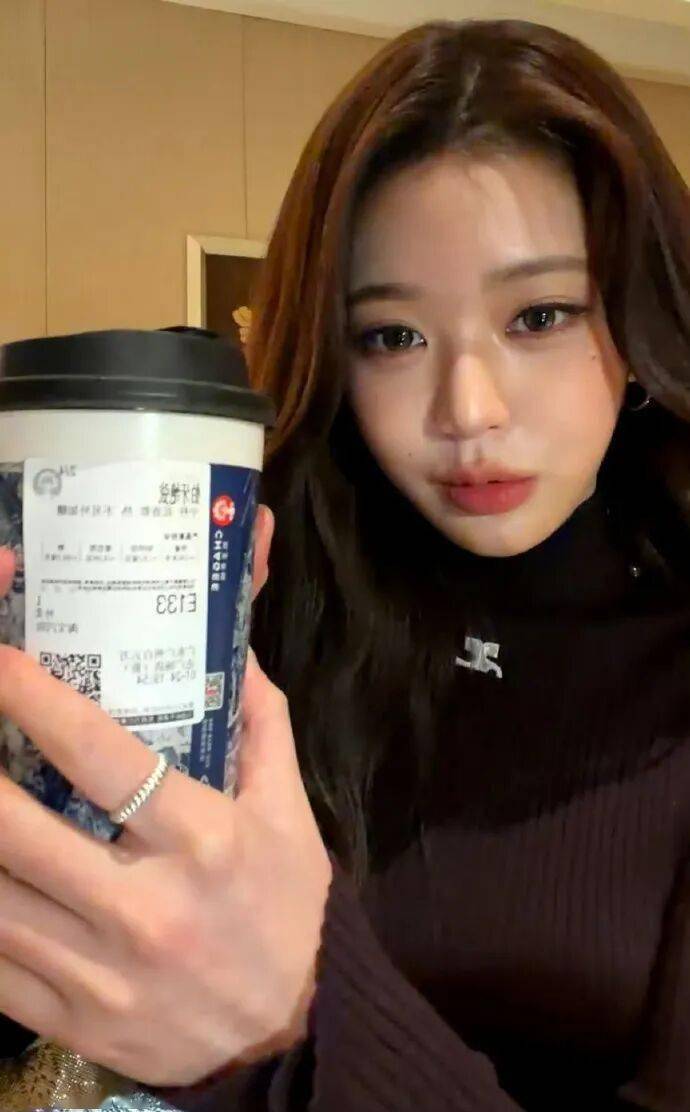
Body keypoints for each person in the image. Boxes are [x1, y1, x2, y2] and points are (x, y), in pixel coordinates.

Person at [0, 16, 688, 1112]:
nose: (470, 409)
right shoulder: (261, 605)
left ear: (640, 318)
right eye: (392, 337)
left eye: (541, 315)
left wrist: (295, 1025)